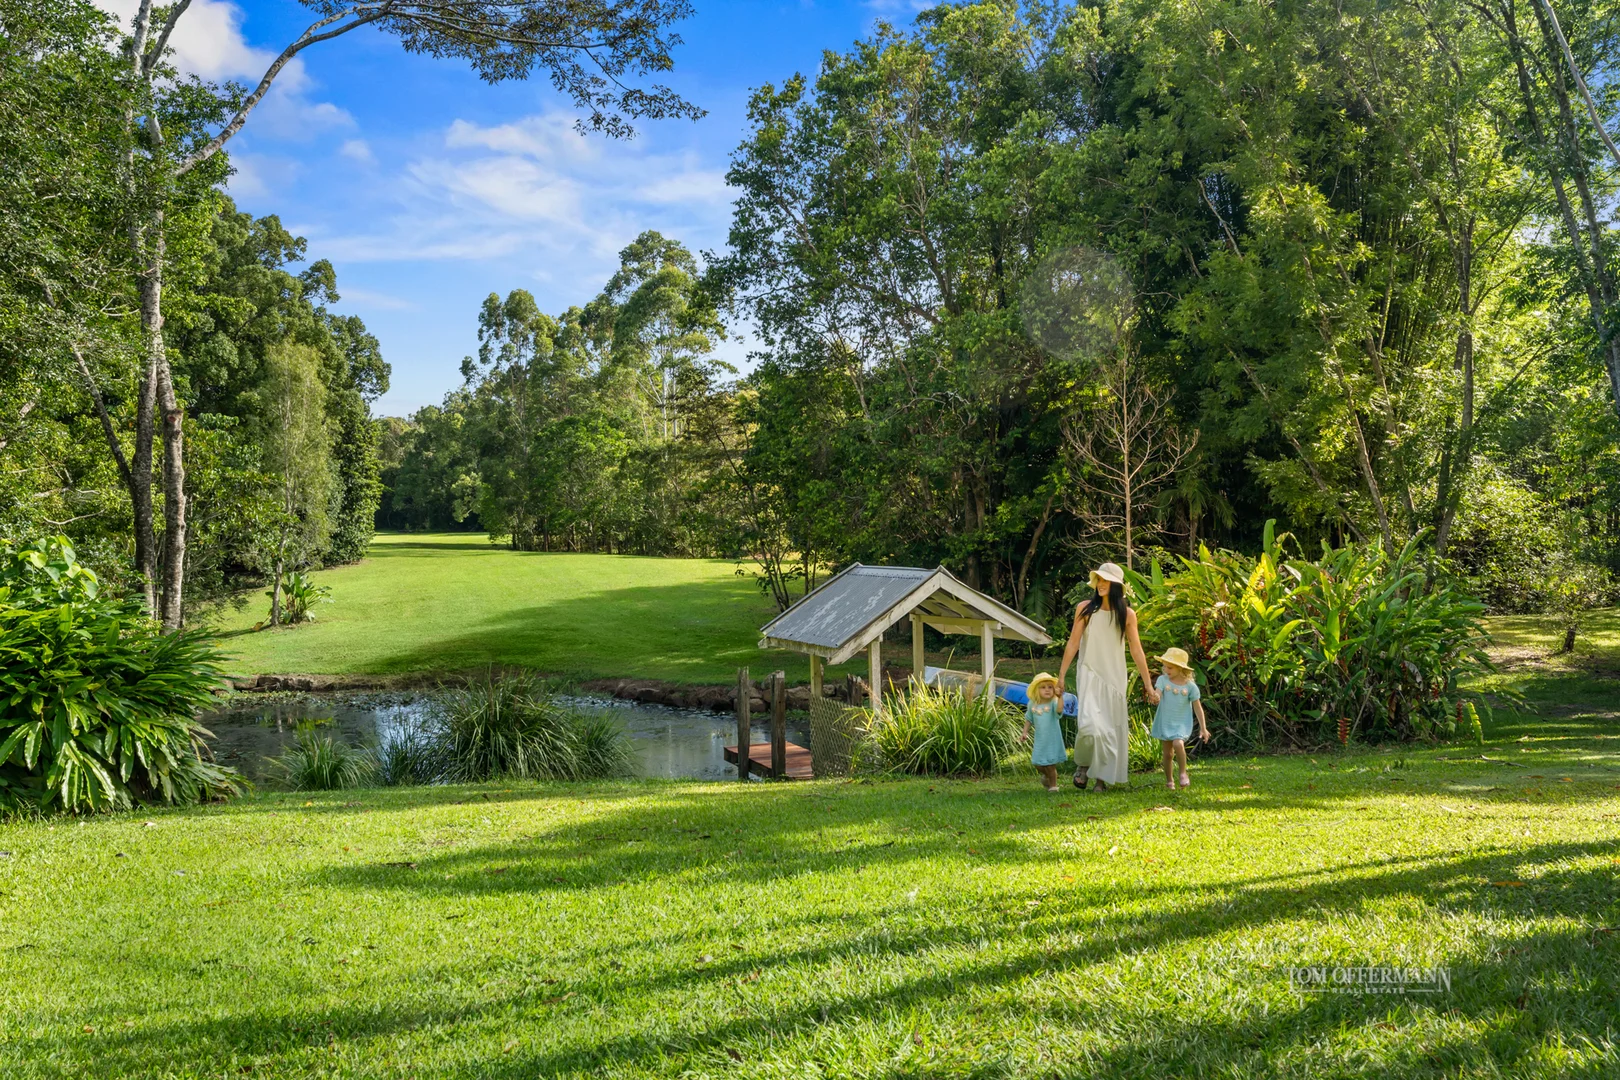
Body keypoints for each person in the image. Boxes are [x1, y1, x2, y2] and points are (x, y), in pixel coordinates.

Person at [1056, 561, 1159, 791]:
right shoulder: (1085, 609)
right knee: (1090, 727)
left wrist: (1148, 686)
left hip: (1114, 678)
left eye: (1105, 580)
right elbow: (1073, 643)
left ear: (1115, 585)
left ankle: (1101, 780)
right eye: (1099, 580)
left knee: (1109, 730)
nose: (1101, 584)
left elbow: (1136, 649)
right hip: (1090, 673)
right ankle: (1083, 765)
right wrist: (1061, 676)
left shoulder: (1127, 614)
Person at [1151, 647, 1209, 791]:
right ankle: (1169, 780)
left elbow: (1197, 708)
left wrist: (1203, 728)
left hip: (1181, 723)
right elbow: (1158, 693)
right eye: (1164, 666)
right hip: (1166, 721)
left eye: (1170, 667)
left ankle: (1183, 772)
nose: (1166, 670)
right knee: (1167, 754)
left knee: (1178, 743)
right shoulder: (1163, 680)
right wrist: (1156, 697)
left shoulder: (1190, 687)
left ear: (1181, 669)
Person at [1022, 672, 1068, 792]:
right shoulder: (1032, 704)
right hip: (1040, 739)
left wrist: (1060, 697)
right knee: (1038, 763)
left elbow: (1059, 710)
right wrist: (1024, 733)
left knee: (1050, 764)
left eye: (1050, 687)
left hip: (1052, 738)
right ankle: (1047, 776)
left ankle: (1053, 785)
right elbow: (1029, 719)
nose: (1047, 690)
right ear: (1037, 690)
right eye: (1043, 687)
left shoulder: (1053, 703)